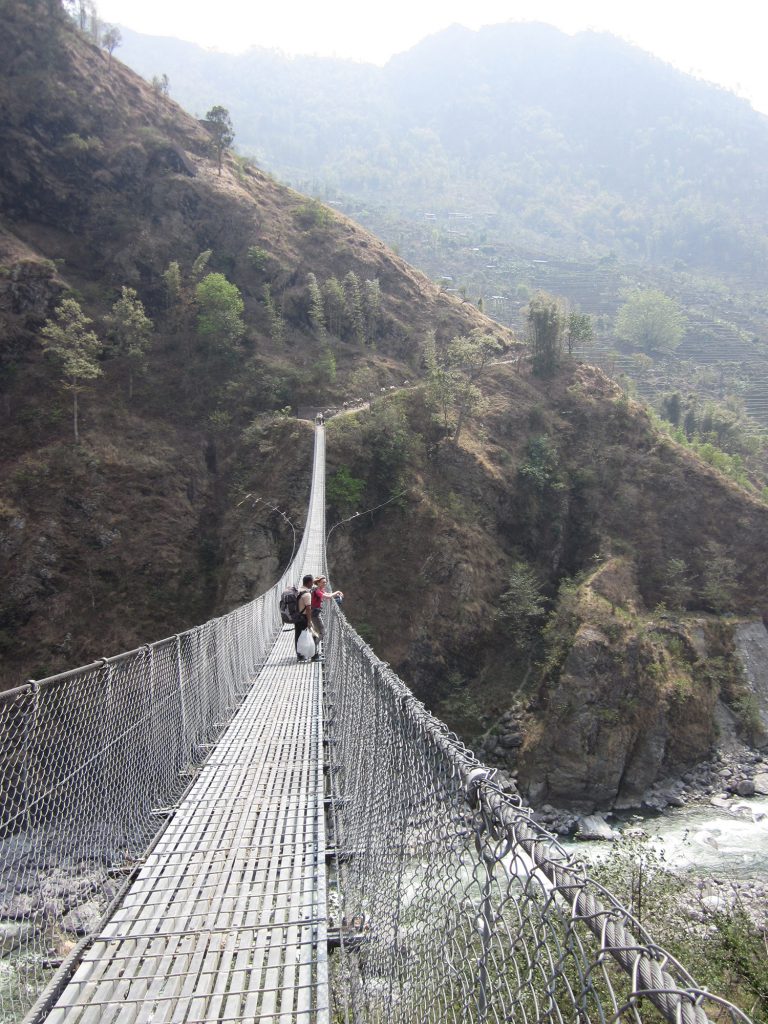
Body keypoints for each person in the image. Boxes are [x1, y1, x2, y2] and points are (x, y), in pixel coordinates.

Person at [295, 574, 320, 662]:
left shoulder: (298, 590)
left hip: (297, 616)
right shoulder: (307, 594)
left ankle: (300, 655)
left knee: (298, 635)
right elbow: (308, 608)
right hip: (304, 617)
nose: (313, 584)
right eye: (312, 582)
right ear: (309, 582)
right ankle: (314, 655)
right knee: (313, 635)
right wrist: (309, 621)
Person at [311, 575, 344, 640]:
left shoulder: (320, 589)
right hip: (314, 614)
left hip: (315, 612)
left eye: (325, 582)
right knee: (322, 632)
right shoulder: (317, 591)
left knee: (317, 630)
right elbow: (328, 597)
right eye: (323, 582)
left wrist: (337, 594)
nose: (325, 584)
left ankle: (313, 643)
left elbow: (328, 594)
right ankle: (314, 646)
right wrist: (337, 592)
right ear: (318, 583)